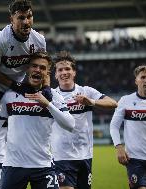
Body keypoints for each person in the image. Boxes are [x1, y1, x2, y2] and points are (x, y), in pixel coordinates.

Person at [0, 51, 75, 189]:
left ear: (47, 72)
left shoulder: (54, 97)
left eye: (42, 67)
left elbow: (70, 125)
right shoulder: (10, 95)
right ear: (27, 68)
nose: (37, 70)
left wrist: (47, 104)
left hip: (42, 166)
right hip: (13, 165)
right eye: (34, 66)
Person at [50, 51, 117, 189]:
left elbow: (113, 103)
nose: (64, 72)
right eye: (60, 70)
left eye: (68, 68)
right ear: (55, 75)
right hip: (61, 157)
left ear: (74, 72)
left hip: (85, 155)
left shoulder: (86, 91)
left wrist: (90, 101)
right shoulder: (51, 95)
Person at [110, 65, 146, 189]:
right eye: (142, 77)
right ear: (136, 81)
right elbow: (114, 126)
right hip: (135, 159)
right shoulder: (125, 100)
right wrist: (119, 147)